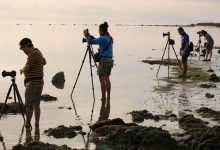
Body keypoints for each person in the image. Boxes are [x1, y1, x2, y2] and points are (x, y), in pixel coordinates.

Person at [19, 38, 46, 129]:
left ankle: (27, 124)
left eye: (23, 49)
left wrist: (22, 70)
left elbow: (26, 68)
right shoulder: (38, 52)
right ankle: (36, 125)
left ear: (26, 46)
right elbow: (44, 62)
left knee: (29, 105)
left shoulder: (32, 54)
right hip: (39, 82)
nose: (23, 51)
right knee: (36, 105)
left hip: (33, 83)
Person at [84, 22, 113, 102]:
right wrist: (91, 37)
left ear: (101, 30)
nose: (98, 31)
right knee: (107, 78)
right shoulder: (109, 38)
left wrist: (86, 36)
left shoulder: (103, 38)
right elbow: (97, 41)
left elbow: (90, 42)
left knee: (101, 79)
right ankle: (108, 97)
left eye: (99, 30)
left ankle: (103, 98)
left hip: (104, 60)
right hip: (110, 60)